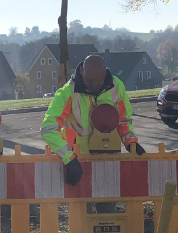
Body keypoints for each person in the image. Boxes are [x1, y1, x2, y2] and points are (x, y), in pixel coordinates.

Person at [41, 55, 143, 186]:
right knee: (82, 204)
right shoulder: (68, 92)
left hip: (108, 157)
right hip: (78, 160)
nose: (94, 85)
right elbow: (48, 128)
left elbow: (123, 120)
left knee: (108, 201)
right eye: (89, 80)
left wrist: (130, 142)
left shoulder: (117, 86)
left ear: (105, 72)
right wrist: (69, 158)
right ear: (82, 71)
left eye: (98, 80)